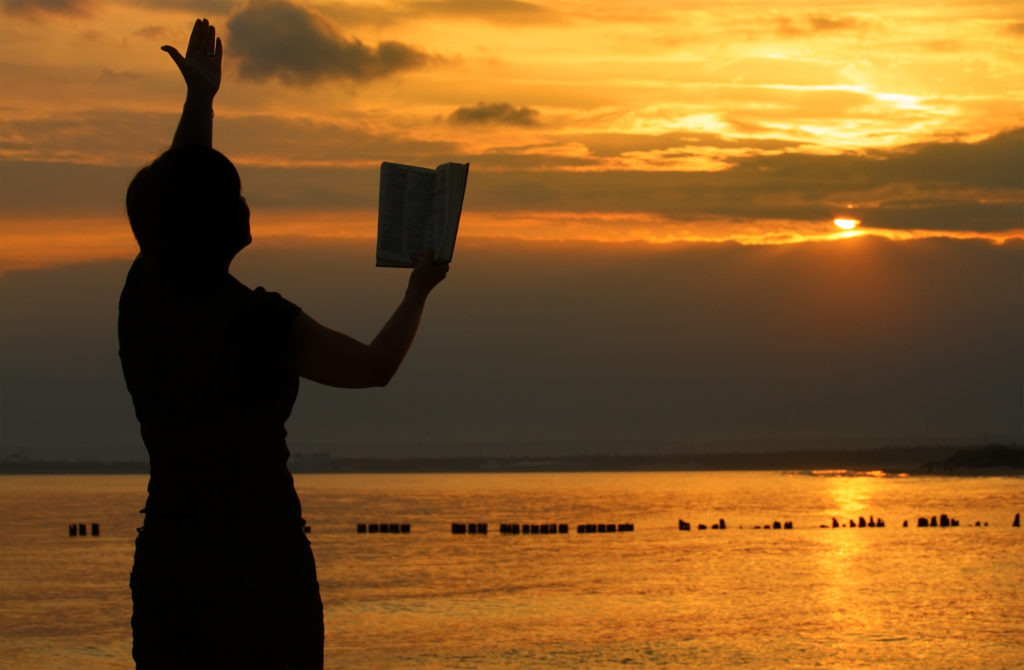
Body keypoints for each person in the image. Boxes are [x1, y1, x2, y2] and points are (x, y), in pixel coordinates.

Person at [118, 18, 449, 669]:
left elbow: (176, 200)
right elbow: (376, 368)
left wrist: (200, 102)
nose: (246, 203)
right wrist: (419, 292)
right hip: (259, 567)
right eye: (235, 196)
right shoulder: (261, 322)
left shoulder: (142, 302)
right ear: (219, 223)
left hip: (173, 564)